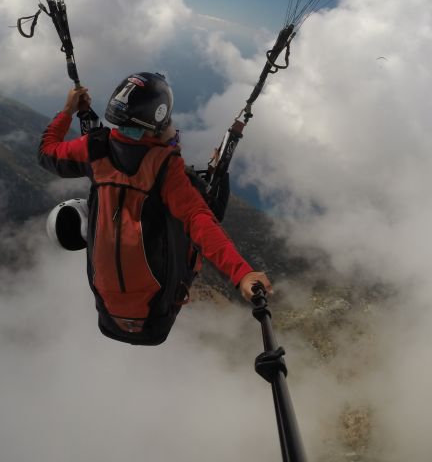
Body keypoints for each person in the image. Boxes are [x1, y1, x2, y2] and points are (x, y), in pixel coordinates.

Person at [39, 71, 272, 345]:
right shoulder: (164, 167)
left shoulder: (93, 149)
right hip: (156, 314)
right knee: (194, 208)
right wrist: (241, 272)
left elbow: (47, 153)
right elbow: (200, 219)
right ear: (157, 120)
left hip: (108, 313)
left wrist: (67, 111)